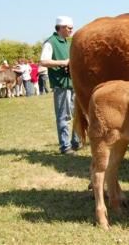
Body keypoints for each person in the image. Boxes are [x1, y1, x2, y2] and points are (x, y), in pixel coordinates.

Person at [40, 16, 81, 155]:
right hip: (61, 84)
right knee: (64, 116)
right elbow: (43, 61)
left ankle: (76, 141)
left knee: (76, 114)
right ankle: (65, 146)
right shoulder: (50, 42)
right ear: (61, 28)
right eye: (69, 28)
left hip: (72, 83)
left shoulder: (67, 43)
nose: (71, 30)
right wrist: (63, 63)